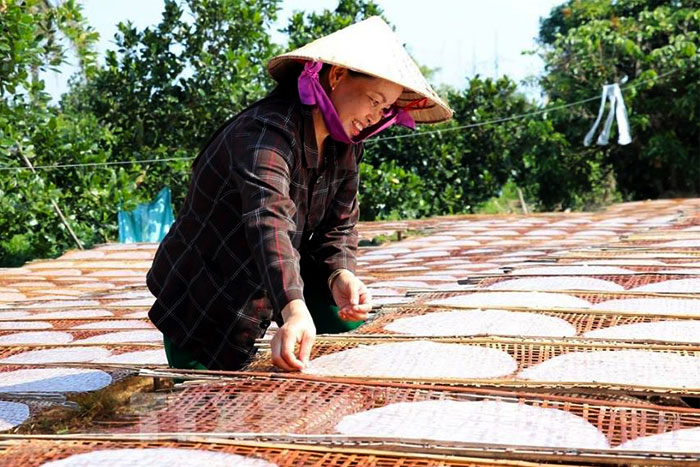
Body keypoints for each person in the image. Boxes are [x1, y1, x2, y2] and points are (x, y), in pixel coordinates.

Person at [146, 16, 452, 372]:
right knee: (208, 401)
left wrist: (341, 275)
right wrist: (293, 308)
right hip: (208, 295)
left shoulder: (345, 148)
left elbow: (338, 228)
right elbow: (268, 220)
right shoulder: (264, 134)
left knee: (346, 319)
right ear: (337, 76)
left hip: (281, 280)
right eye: (373, 100)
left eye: (385, 110)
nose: (375, 116)